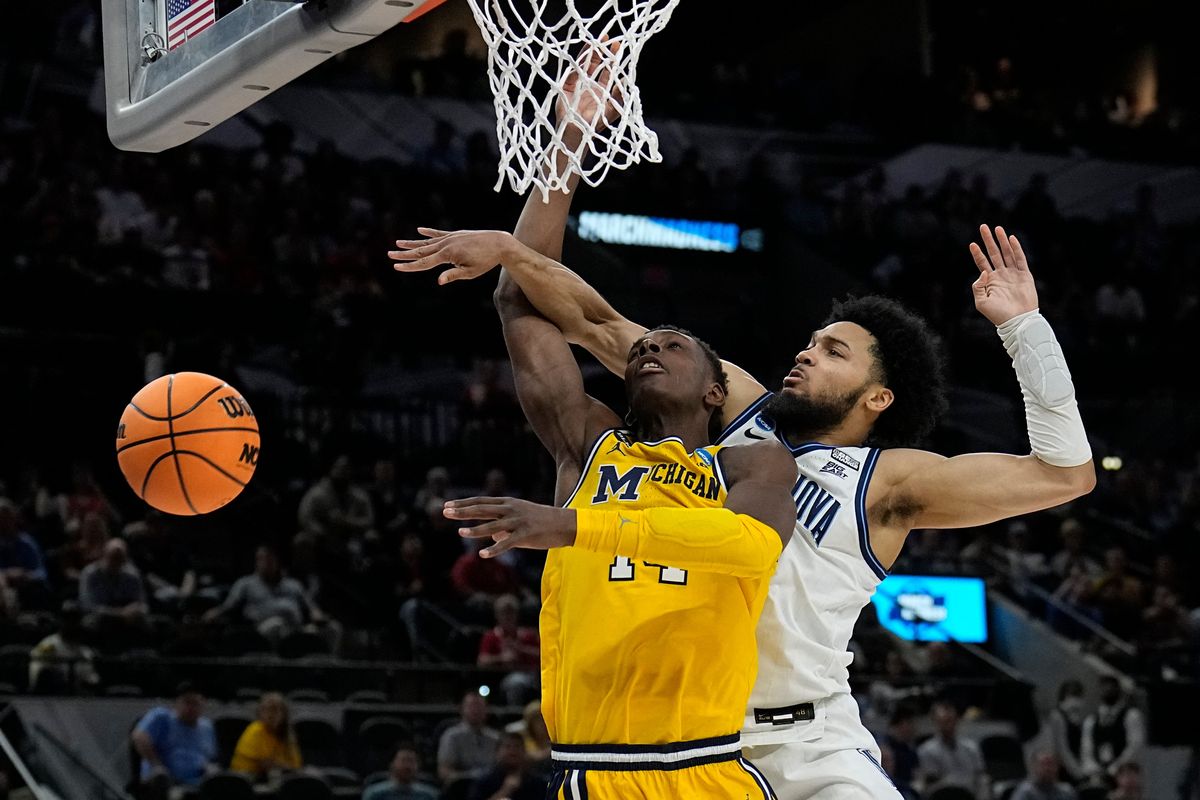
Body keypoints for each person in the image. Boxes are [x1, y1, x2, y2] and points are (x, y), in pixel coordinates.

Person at [131, 682, 217, 799]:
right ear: (177, 703)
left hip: (197, 782)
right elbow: (139, 737)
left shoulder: (206, 727)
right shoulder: (162, 717)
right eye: (187, 702)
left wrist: (209, 768)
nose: (191, 708)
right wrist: (156, 764)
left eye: (196, 703)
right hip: (164, 779)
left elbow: (208, 755)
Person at [916, 698, 991, 799]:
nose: (947, 725)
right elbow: (930, 784)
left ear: (956, 720)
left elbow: (981, 775)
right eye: (942, 721)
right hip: (944, 797)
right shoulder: (926, 750)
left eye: (950, 720)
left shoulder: (971, 748)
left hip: (970, 795)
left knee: (984, 782)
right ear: (935, 722)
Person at [476, 594, 540, 706]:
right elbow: (482, 661)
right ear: (497, 615)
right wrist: (502, 658)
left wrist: (520, 649)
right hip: (500, 678)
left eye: (511, 612)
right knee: (515, 682)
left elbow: (544, 655)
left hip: (530, 676)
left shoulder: (527, 635)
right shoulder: (491, 636)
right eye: (504, 613)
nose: (508, 616)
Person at [1081, 677, 1145, 786]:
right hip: (1098, 776)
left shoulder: (1131, 715)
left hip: (1124, 775)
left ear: (1118, 690)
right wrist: (1094, 770)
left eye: (1111, 687)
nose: (1107, 690)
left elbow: (1135, 746)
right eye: (1104, 687)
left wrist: (1115, 768)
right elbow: (1086, 749)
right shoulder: (1091, 720)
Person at [28, 601, 99, 694]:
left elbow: (92, 680)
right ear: (60, 620)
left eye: (74, 619)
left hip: (77, 699)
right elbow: (37, 676)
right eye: (67, 619)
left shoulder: (85, 652)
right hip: (51, 697)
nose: (70, 623)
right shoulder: (49, 645)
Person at [230, 692, 302, 780]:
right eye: (267, 710)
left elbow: (296, 766)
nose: (271, 715)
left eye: (276, 710)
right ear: (260, 712)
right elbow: (265, 764)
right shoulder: (254, 729)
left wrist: (285, 767)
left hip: (276, 778)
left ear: (284, 714)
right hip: (247, 778)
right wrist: (282, 766)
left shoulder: (287, 734)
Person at [437, 692, 502, 787]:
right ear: (461, 709)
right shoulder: (452, 736)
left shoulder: (496, 737)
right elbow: (444, 771)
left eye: (480, 706)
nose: (476, 710)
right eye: (471, 706)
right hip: (463, 786)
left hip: (491, 785)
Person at [468, 732, 544, 800]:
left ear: (524, 752)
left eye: (517, 746)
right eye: (507, 746)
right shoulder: (484, 781)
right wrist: (505, 791)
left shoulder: (537, 782)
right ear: (497, 752)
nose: (512, 751)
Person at [1044, 679, 1089, 785]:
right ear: (1063, 696)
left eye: (1078, 696)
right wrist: (1077, 772)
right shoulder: (1056, 716)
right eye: (1072, 695)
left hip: (1075, 766)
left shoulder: (1077, 718)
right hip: (1063, 769)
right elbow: (1061, 748)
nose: (1075, 700)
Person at [363, 744, 438, 800]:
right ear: (392, 764)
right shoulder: (375, 794)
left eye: (412, 761)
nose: (408, 766)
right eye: (403, 761)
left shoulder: (429, 795)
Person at [1013, 751, 1077, 800]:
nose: (1047, 769)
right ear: (1034, 767)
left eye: (1050, 764)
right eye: (1043, 764)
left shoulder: (1067, 792)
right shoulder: (1026, 792)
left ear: (1057, 767)